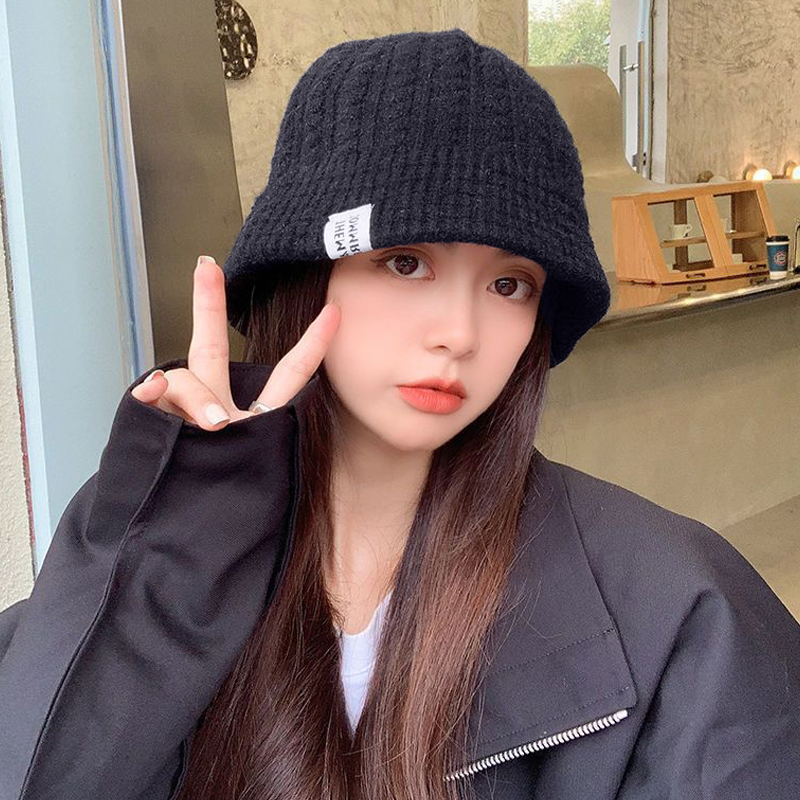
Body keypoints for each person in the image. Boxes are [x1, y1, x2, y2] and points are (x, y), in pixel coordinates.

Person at [0, 27, 798, 800]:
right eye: (405, 262)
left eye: (509, 284)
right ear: (304, 277)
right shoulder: (165, 546)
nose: (460, 333)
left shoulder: (685, 616)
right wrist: (178, 557)